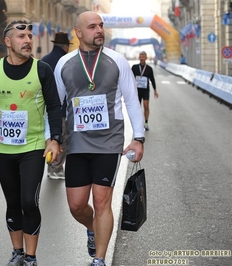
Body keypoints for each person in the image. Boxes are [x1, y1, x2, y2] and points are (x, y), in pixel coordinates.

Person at [53, 11, 145, 266]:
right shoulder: (65, 64)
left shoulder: (117, 61)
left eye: (101, 26)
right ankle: (92, 227)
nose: (99, 30)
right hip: (76, 144)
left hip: (109, 143)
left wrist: (138, 138)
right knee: (76, 205)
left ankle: (99, 259)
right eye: (92, 27)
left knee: (102, 201)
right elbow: (56, 105)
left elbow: (131, 101)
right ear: (79, 33)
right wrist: (54, 138)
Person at [0, 20, 62, 266]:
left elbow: (54, 106)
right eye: (21, 36)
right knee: (12, 202)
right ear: (8, 42)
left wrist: (55, 139)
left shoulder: (42, 70)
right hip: (3, 148)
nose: (28, 40)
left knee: (28, 201)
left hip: (33, 147)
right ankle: (17, 252)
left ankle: (31, 257)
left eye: (30, 36)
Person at [41, 32, 71, 180]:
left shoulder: (44, 60)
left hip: (45, 107)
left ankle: (50, 166)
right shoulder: (66, 60)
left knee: (50, 137)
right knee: (61, 139)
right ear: (65, 47)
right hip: (61, 108)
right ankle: (56, 168)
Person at [131, 51, 158, 131]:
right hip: (137, 90)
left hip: (146, 90)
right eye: (141, 56)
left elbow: (152, 80)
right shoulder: (134, 67)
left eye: (143, 56)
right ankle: (138, 123)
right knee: (137, 107)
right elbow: (130, 79)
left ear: (146, 58)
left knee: (146, 105)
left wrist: (155, 90)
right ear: (139, 58)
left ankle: (146, 123)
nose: (142, 58)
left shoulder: (149, 69)